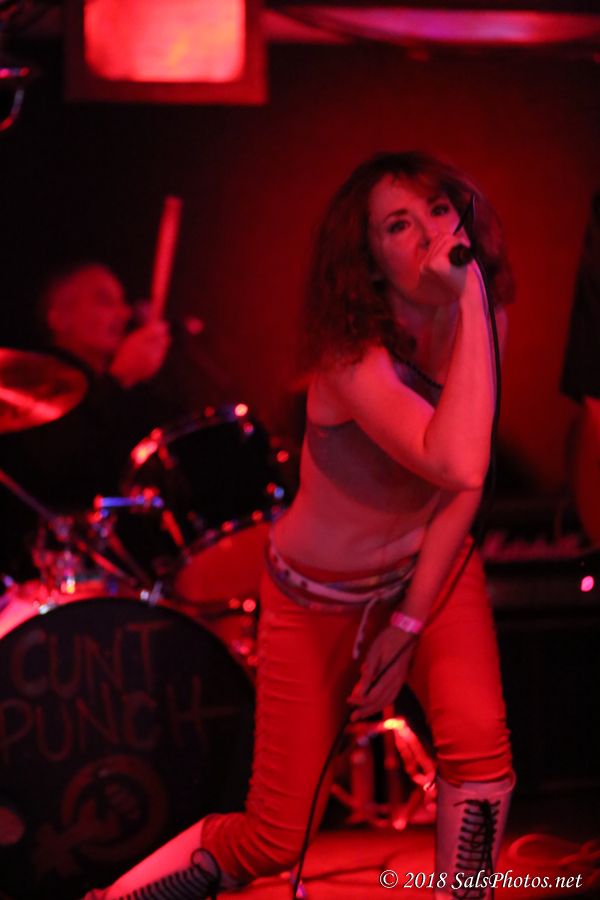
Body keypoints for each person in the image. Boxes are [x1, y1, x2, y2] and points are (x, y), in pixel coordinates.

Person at [83, 152, 515, 900]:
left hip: (430, 572)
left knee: (480, 756)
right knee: (274, 837)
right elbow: (454, 459)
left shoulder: (484, 320)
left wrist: (409, 622)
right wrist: (472, 301)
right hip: (317, 598)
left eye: (439, 210)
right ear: (368, 259)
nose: (428, 235)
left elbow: (462, 492)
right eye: (398, 225)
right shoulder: (350, 358)